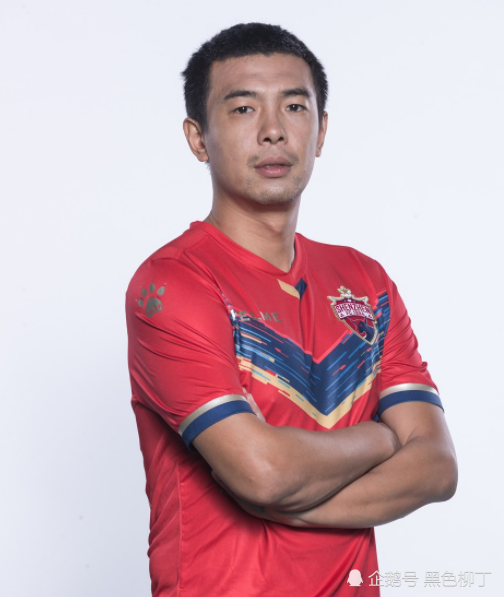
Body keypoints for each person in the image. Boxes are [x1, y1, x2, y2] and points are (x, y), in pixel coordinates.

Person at [126, 22, 457, 597]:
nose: (274, 130)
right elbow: (263, 473)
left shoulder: (365, 280)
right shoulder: (173, 283)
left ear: (321, 130)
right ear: (198, 138)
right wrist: (382, 439)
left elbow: (436, 468)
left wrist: (290, 503)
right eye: (243, 109)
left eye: (295, 106)